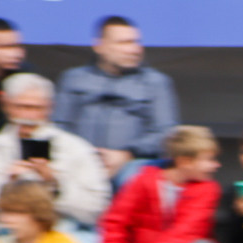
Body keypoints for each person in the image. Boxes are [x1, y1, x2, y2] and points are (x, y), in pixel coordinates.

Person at [0, 73, 110, 243]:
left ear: (50, 108)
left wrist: (55, 185)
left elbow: (95, 211)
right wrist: (3, 184)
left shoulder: (76, 148)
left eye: (37, 108)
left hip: (57, 236)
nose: (29, 116)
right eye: (22, 107)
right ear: (6, 105)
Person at [52, 15, 174, 189]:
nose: (134, 50)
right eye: (124, 43)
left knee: (133, 177)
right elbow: (60, 125)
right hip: (78, 160)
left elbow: (165, 132)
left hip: (132, 163)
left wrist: (126, 154)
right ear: (99, 46)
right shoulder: (74, 79)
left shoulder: (155, 82)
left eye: (136, 42)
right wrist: (84, 155)